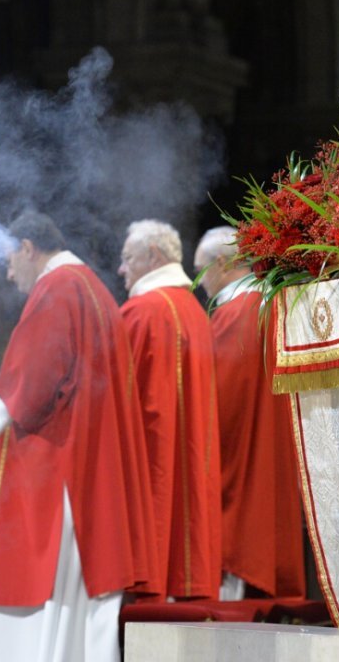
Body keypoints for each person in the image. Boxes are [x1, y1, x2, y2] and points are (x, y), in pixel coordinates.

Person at [0, 211, 153, 662]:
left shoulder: (55, 288)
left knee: (52, 608)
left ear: (29, 247)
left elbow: (31, 393)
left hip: (60, 474)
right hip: (89, 469)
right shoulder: (92, 287)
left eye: (11, 260)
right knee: (80, 612)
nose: (10, 272)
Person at [194, 227, 306, 599]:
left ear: (222, 263)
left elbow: (218, 406)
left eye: (200, 270)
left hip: (240, 465)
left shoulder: (234, 315)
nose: (199, 282)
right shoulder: (274, 303)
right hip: (276, 454)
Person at [117, 219, 222, 600]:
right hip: (193, 460)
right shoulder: (194, 309)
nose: (121, 269)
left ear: (153, 256)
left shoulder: (141, 312)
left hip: (150, 465)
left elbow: (111, 396)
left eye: (128, 258)